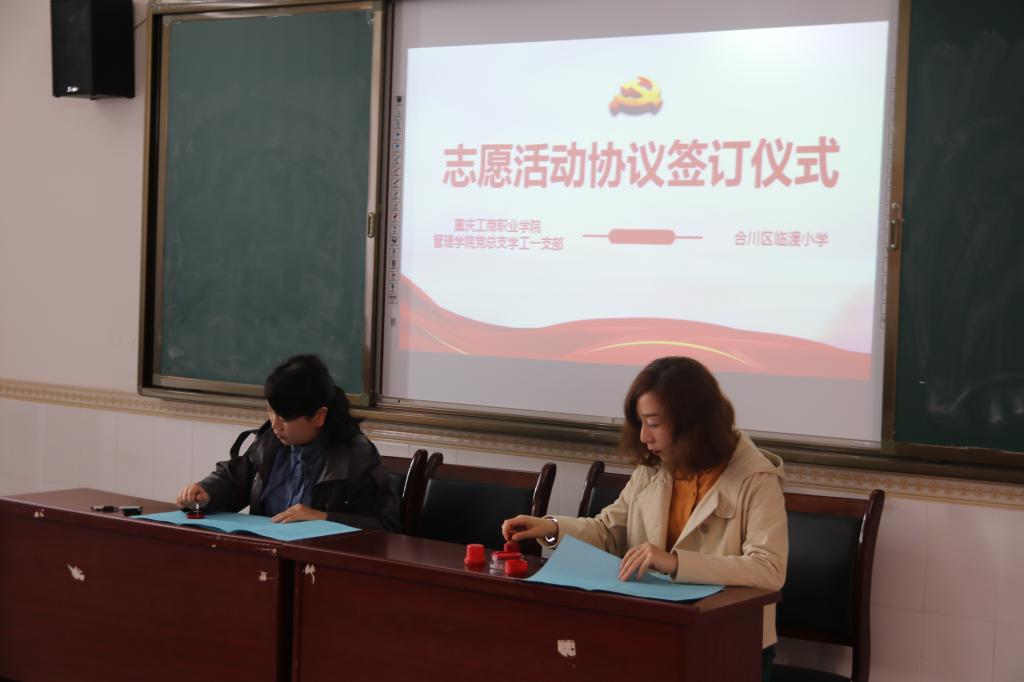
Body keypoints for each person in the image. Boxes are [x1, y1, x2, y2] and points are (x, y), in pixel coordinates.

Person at [501, 356, 787, 681]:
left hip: (731, 641)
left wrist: (675, 562)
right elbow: (609, 532)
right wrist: (552, 528)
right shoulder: (654, 468)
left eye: (653, 423)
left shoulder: (756, 477)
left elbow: (769, 570)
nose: (643, 437)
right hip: (656, 627)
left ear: (693, 421)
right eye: (640, 423)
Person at [176, 354, 399, 531]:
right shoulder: (269, 443)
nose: (275, 425)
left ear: (319, 416)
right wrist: (207, 492)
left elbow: (387, 526)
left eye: (284, 418)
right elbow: (234, 481)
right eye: (270, 411)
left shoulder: (356, 458)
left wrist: (323, 519)